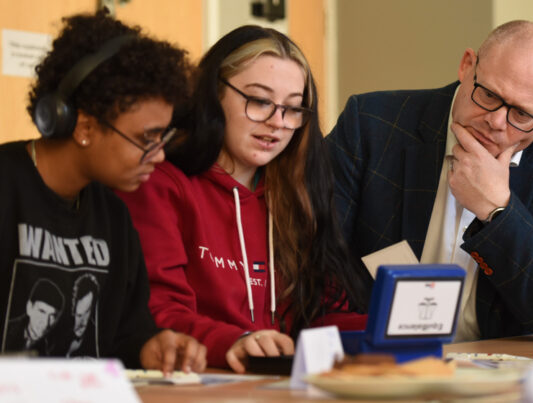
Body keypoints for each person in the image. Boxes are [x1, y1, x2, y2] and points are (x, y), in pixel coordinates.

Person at [118, 25, 372, 372]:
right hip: (199, 381)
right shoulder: (160, 182)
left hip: (275, 384)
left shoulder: (293, 193)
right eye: (259, 101)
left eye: (293, 108)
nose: (277, 122)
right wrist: (235, 342)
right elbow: (159, 312)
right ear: (213, 95)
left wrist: (386, 330)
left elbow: (319, 312)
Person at [326, 20, 533, 342]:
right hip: (379, 361)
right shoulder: (371, 125)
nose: (496, 122)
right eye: (488, 94)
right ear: (467, 65)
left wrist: (498, 212)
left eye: (522, 115)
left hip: (500, 373)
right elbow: (313, 259)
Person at [0, 10, 206, 374]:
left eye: (163, 138)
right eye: (146, 138)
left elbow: (125, 335)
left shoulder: (114, 216)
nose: (158, 156)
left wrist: (150, 347)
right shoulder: (8, 184)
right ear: (84, 127)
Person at [5, 278, 65, 355]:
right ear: (29, 308)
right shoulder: (6, 330)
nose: (46, 322)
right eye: (42, 311)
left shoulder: (50, 350)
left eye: (52, 316)